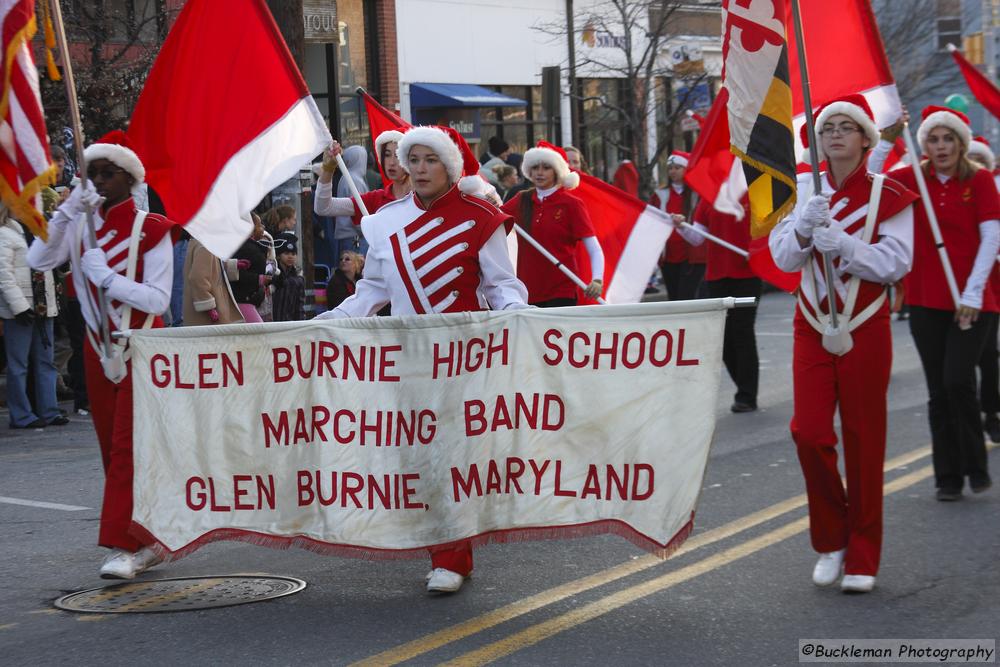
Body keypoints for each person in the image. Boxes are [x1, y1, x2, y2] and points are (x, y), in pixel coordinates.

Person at [315, 124, 529, 594]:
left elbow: (501, 286)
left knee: (449, 455)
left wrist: (516, 314)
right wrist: (329, 319)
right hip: (409, 357)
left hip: (464, 357)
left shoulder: (481, 217)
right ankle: (441, 543)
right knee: (420, 454)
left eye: (430, 160)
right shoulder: (386, 220)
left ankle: (451, 556)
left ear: (450, 166)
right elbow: (371, 291)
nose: (419, 169)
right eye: (413, 160)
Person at [769, 95, 917, 593]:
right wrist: (805, 229)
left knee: (863, 438)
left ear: (864, 138)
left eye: (845, 127)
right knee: (808, 433)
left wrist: (847, 247)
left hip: (866, 324)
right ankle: (831, 538)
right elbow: (786, 261)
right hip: (811, 322)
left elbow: (896, 264)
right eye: (826, 127)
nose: (834, 134)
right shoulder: (803, 191)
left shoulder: (891, 193)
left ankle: (863, 553)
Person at [27, 130, 176, 579]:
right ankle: (149, 536)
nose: (97, 181)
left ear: (129, 178)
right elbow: (38, 260)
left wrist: (107, 277)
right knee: (112, 448)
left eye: (106, 173)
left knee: (130, 446)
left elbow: (157, 300)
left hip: (143, 349)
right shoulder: (81, 225)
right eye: (91, 173)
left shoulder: (151, 228)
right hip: (97, 349)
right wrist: (68, 211)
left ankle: (123, 545)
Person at [873, 106, 1000, 500]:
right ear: (924, 143)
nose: (941, 146)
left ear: (961, 143)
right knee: (938, 390)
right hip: (926, 298)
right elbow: (868, 185)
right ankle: (947, 477)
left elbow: (991, 239)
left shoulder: (979, 181)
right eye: (933, 138)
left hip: (973, 302)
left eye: (948, 139)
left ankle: (975, 465)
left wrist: (973, 293)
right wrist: (887, 140)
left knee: (958, 380)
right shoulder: (913, 178)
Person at [677, 194, 761, 412]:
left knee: (742, 332)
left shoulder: (753, 193)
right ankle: (742, 385)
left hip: (747, 275)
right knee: (723, 336)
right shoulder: (708, 197)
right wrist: (681, 225)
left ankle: (747, 395)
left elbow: (769, 230)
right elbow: (697, 238)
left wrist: (759, 251)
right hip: (716, 276)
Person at [500, 141, 604, 306]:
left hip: (561, 290)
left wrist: (597, 279)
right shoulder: (522, 199)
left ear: (557, 171)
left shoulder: (571, 204)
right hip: (527, 291)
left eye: (546, 168)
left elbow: (593, 247)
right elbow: (494, 219)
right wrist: (487, 199)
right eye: (535, 168)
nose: (539, 173)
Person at [0, 206, 66, 429]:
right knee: (18, 364)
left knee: (45, 361)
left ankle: (49, 410)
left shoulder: (40, 228)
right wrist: (18, 306)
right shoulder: (4, 232)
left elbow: (53, 264)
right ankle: (21, 414)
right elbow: (4, 275)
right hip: (20, 308)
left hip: (43, 304)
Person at [964, 136, 1000, 443]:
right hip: (959, 284)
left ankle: (991, 411)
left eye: (980, 161)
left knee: (988, 354)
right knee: (963, 363)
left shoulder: (992, 190)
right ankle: (969, 414)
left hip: (992, 286)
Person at [314, 130, 412, 235]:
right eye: (387, 155)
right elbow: (323, 207)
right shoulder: (376, 198)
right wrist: (328, 168)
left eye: (397, 155)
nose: (391, 162)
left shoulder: (422, 198)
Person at [651, 152, 701, 300]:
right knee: (674, 298)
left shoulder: (697, 194)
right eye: (670, 168)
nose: (673, 171)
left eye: (677, 167)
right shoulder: (660, 194)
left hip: (691, 255)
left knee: (687, 297)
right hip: (669, 255)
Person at [182, 237, 243, 326]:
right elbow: (197, 278)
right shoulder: (206, 245)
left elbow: (213, 267)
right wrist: (208, 306)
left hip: (204, 311)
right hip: (207, 317)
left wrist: (233, 265)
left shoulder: (202, 242)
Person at [226, 213, 270, 323]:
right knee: (259, 331)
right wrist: (259, 279)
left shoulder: (250, 246)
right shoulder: (244, 248)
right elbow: (237, 274)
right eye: (259, 225)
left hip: (250, 298)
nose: (263, 228)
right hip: (243, 299)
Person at [334, 145, 370, 256]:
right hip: (355, 237)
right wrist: (368, 231)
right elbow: (358, 210)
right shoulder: (354, 180)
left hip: (349, 236)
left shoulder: (346, 177)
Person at [271, 232, 305, 322]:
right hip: (272, 322)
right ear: (278, 255)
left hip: (290, 323)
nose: (290, 257)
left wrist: (301, 322)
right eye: (286, 253)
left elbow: (300, 305)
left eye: (293, 254)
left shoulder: (298, 277)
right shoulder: (272, 273)